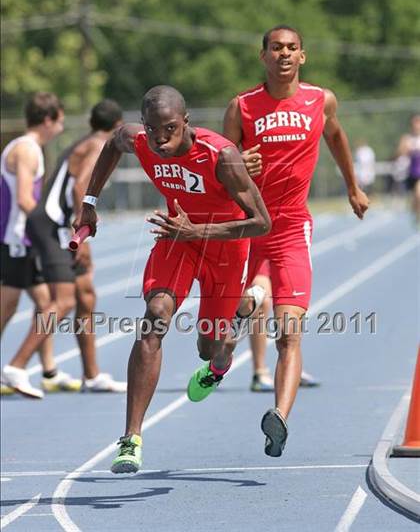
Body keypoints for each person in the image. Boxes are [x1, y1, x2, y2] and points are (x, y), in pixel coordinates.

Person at [74, 85, 271, 473]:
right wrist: (89, 202)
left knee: (208, 348)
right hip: (176, 238)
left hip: (223, 248)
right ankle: (131, 439)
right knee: (154, 318)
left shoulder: (222, 157)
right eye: (152, 130)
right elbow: (114, 142)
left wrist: (199, 232)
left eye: (169, 129)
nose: (160, 140)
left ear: (186, 122)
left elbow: (261, 223)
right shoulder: (140, 139)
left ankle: (235, 327)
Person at [223, 25, 369, 457]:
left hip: (291, 230)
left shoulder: (320, 100)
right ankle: (220, 357)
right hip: (248, 228)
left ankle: (279, 418)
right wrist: (237, 165)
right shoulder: (242, 107)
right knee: (221, 337)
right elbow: (217, 166)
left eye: (291, 48)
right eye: (276, 48)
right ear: (263, 55)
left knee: (289, 334)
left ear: (302, 56)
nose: (284, 55)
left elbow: (337, 137)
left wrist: (352, 186)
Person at [1, 100, 127, 398]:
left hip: (53, 225)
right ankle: (17, 366)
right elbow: (79, 187)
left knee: (85, 295)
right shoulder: (99, 145)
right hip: (55, 226)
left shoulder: (85, 141)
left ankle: (92, 375)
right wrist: (79, 231)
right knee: (65, 300)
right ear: (119, 125)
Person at [0, 92, 80, 396]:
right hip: (16, 238)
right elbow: (23, 198)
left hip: (25, 238)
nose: (61, 127)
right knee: (8, 308)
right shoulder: (27, 150)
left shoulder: (29, 148)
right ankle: (22, 369)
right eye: (60, 121)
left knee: (46, 304)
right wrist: (48, 228)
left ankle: (48, 370)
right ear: (47, 120)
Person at [243, 261, 320, 392]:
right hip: (257, 246)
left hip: (284, 245)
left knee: (292, 303)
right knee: (260, 299)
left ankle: (290, 366)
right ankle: (259, 372)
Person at [396, 113, 420, 227]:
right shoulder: (407, 138)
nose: (417, 125)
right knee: (415, 198)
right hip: (412, 172)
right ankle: (416, 213)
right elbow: (400, 152)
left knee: (418, 194)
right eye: (415, 122)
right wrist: (408, 149)